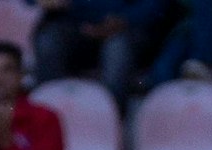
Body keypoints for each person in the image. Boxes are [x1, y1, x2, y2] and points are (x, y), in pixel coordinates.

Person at [30, 0, 159, 107]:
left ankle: (107, 121)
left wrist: (125, 20)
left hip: (125, 29)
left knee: (117, 49)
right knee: (48, 41)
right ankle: (46, 115)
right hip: (76, 26)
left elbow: (155, 5)